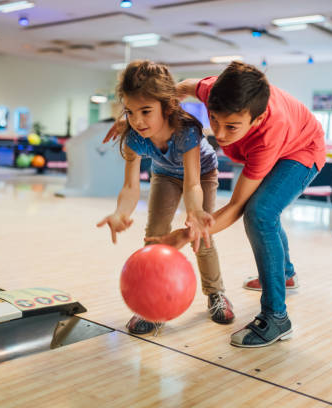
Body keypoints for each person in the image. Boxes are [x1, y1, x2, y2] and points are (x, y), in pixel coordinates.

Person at [146, 61, 326, 347]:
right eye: (213, 119)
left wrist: (184, 235)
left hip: (301, 149)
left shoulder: (269, 133)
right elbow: (178, 89)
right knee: (266, 210)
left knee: (260, 212)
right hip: (280, 139)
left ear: (257, 118)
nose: (219, 133)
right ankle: (286, 274)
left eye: (231, 126)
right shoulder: (211, 90)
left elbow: (236, 207)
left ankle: (277, 316)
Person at [97, 60, 235, 335]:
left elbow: (193, 182)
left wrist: (195, 212)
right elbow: (130, 187)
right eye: (130, 112)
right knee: (155, 237)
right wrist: (120, 212)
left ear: (166, 106)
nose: (137, 120)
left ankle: (215, 293)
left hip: (202, 174)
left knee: (200, 235)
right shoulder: (134, 136)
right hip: (164, 174)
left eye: (146, 111)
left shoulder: (186, 130)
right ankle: (153, 305)